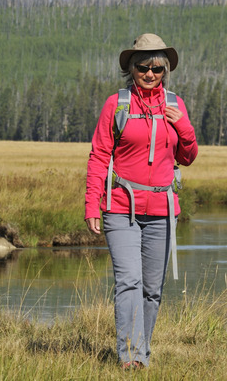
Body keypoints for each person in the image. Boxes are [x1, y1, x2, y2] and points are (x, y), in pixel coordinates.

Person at [84, 33, 198, 369]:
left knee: (151, 289)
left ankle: (141, 353)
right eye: (142, 67)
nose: (150, 74)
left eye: (157, 68)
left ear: (165, 71)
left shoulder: (175, 106)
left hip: (162, 212)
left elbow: (188, 157)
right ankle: (131, 357)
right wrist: (93, 203)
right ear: (130, 69)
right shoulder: (116, 105)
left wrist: (186, 128)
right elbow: (98, 156)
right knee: (129, 282)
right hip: (121, 207)